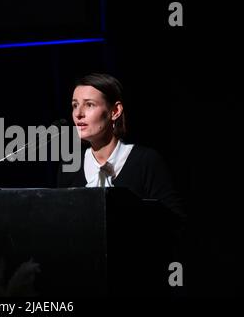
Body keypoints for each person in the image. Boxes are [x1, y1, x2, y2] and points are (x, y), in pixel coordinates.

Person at [57, 73, 185, 219]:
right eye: (75, 105)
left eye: (89, 104)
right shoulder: (69, 166)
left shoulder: (145, 161)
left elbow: (175, 222)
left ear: (115, 111)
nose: (78, 114)